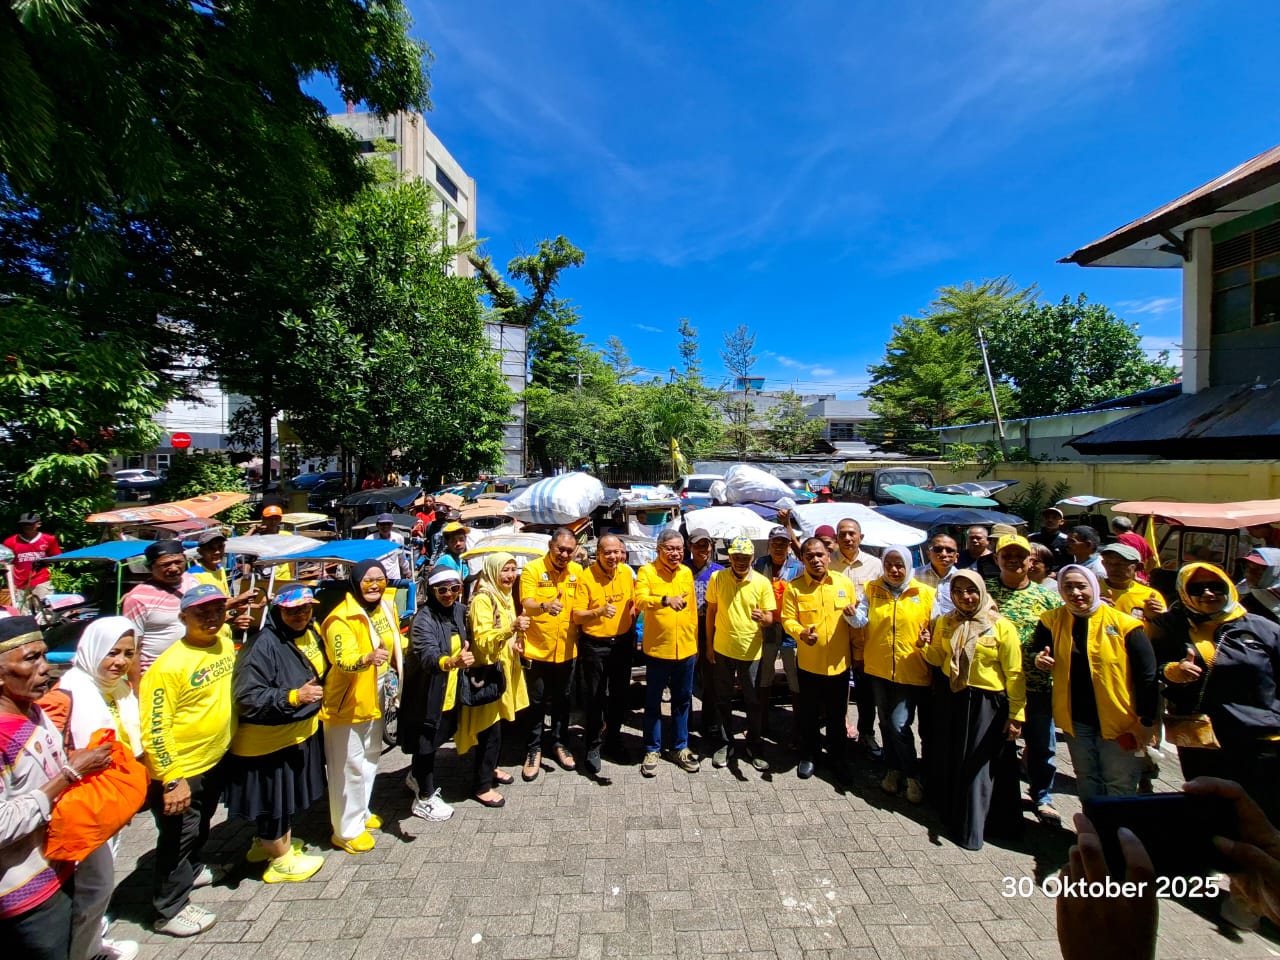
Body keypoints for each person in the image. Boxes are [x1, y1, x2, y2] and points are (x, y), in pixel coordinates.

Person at [0, 617, 112, 960]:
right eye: (30, 659)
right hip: (24, 896)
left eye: (44, 656)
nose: (45, 668)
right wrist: (68, 774)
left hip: (59, 867)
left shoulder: (35, 711)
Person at [34, 617, 140, 960]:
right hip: (84, 806)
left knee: (98, 886)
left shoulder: (115, 688)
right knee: (94, 888)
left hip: (108, 801)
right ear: (92, 648)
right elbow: (46, 751)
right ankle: (86, 952)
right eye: (112, 652)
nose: (120, 661)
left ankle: (93, 943)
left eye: (128, 653)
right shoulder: (67, 693)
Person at [1147, 563, 1280, 823]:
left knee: (1264, 813)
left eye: (1216, 586)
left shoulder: (1262, 628)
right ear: (1184, 592)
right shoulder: (1170, 626)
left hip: (1260, 739)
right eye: (1196, 588)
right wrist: (1173, 671)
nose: (1208, 593)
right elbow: (1153, 668)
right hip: (1202, 741)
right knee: (1210, 810)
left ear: (1228, 587)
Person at [141, 584, 237, 937]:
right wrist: (170, 778)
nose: (211, 618)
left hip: (215, 760)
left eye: (217, 610)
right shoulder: (168, 667)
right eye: (201, 613)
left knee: (200, 825)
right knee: (177, 839)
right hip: (183, 770)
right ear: (183, 618)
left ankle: (194, 871)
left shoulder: (224, 643)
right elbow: (154, 728)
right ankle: (169, 909)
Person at [224, 586, 327, 883]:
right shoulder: (263, 645)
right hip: (268, 743)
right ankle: (280, 859)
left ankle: (268, 843)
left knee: (283, 799)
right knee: (275, 800)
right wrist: (293, 696)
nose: (300, 615)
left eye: (306, 609)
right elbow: (248, 697)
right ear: (278, 611)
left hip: (295, 734)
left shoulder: (310, 631)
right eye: (292, 610)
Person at [1032, 566, 1158, 799]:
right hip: (1077, 719)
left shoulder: (1126, 625)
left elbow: (1147, 675)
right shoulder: (1052, 620)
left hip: (1121, 719)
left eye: (1081, 586)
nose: (1075, 592)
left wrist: (1146, 720)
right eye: (1067, 587)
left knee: (1119, 782)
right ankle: (1093, 830)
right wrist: (1039, 659)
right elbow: (1038, 650)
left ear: (1094, 587)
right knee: (1086, 777)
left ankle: (1120, 833)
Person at [919, 570, 1024, 850]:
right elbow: (937, 657)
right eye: (958, 591)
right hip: (952, 697)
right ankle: (952, 815)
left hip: (986, 703)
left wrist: (1016, 714)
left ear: (981, 591)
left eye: (971, 590)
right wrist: (924, 645)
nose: (965, 597)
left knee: (979, 765)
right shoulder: (946, 621)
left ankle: (973, 828)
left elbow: (1014, 673)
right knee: (953, 758)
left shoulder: (1000, 626)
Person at [319, 560, 399, 853]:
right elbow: (343, 660)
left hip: (377, 693)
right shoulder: (341, 618)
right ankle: (346, 830)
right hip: (347, 700)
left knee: (370, 756)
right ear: (354, 582)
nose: (375, 585)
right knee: (347, 764)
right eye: (368, 580)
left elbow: (394, 643)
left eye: (379, 579)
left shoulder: (385, 608)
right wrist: (366, 658)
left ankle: (361, 811)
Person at [986, 534, 1064, 824]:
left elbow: (1061, 639)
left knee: (1042, 745)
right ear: (997, 559)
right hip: (997, 685)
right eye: (1007, 554)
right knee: (999, 744)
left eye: (1020, 555)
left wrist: (1049, 658)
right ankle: (1000, 795)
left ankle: (1042, 796)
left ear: (1032, 560)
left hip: (1038, 685)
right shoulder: (986, 591)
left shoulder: (1048, 597)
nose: (1014, 560)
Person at [780, 537, 865, 785]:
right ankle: (809, 755)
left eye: (820, 555)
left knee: (837, 717)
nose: (816, 560)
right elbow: (787, 619)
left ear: (829, 556)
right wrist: (800, 633)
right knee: (808, 715)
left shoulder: (844, 584)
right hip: (809, 664)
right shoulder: (794, 588)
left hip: (839, 665)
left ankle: (838, 759)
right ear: (802, 559)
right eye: (810, 556)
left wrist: (858, 654)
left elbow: (854, 623)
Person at [863, 545, 936, 804]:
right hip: (878, 667)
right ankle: (893, 769)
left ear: (908, 565)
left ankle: (912, 775)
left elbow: (937, 627)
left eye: (899, 564)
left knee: (899, 723)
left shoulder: (926, 593)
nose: (894, 570)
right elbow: (861, 618)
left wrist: (929, 638)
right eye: (889, 564)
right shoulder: (872, 589)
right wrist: (851, 615)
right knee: (884, 721)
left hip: (910, 668)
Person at [401, 566, 473, 817]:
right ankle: (424, 798)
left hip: (449, 691)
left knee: (436, 738)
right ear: (431, 591)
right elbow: (427, 654)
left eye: (455, 588)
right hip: (428, 692)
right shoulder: (424, 619)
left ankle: (416, 775)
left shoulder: (459, 611)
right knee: (427, 742)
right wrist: (451, 662)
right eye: (442, 590)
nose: (449, 594)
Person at [459, 555, 530, 793]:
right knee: (489, 730)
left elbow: (507, 634)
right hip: (489, 672)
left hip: (504, 668)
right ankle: (482, 786)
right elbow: (482, 639)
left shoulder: (505, 596)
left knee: (497, 725)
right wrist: (511, 629)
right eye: (504, 570)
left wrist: (516, 641)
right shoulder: (483, 599)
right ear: (491, 572)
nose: (510, 575)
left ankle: (492, 768)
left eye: (513, 569)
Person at [705, 537, 776, 773]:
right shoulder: (718, 577)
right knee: (722, 699)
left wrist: (763, 619)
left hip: (751, 651)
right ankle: (726, 743)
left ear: (752, 559)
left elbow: (770, 618)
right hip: (723, 648)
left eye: (745, 558)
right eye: (736, 557)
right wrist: (708, 645)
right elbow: (711, 612)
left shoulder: (762, 583)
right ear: (730, 557)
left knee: (753, 701)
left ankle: (754, 745)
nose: (740, 562)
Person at [635, 529, 700, 777]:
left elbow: (692, 608)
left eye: (679, 549)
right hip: (658, 650)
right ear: (658, 549)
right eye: (670, 548)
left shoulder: (685, 572)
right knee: (653, 702)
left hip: (686, 648)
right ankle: (652, 748)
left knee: (683, 701)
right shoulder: (647, 572)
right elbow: (639, 599)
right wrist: (664, 600)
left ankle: (680, 747)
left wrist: (695, 640)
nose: (675, 553)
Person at [518, 528, 582, 780]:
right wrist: (545, 605)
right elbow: (527, 603)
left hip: (567, 650)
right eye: (561, 549)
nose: (565, 554)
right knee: (535, 703)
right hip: (538, 650)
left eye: (569, 550)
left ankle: (559, 743)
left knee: (562, 700)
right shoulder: (533, 570)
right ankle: (533, 749)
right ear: (550, 546)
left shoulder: (577, 572)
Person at [572, 535, 635, 776]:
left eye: (618, 552)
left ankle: (614, 741)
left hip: (622, 643)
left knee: (619, 696)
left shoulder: (626, 573)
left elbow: (632, 602)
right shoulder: (586, 578)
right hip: (595, 645)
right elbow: (577, 616)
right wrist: (598, 611)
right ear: (598, 553)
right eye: (608, 553)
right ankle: (592, 746)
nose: (613, 557)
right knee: (595, 697)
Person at [830, 518, 883, 759]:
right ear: (837, 538)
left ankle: (867, 733)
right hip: (836, 636)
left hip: (865, 637)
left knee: (865, 690)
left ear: (861, 537)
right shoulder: (828, 562)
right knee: (838, 689)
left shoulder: (875, 565)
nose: (848, 538)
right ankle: (838, 730)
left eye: (852, 534)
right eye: (842, 534)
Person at [122, 540, 200, 678]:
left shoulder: (192, 581)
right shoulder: (137, 598)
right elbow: (132, 648)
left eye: (178, 562)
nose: (174, 568)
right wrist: (136, 691)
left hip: (193, 670)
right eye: (165, 565)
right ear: (150, 567)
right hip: (157, 675)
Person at [753, 526, 803, 736]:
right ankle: (760, 723)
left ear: (789, 546)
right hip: (767, 628)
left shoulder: (798, 567)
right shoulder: (760, 563)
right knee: (764, 676)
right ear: (769, 544)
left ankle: (798, 727)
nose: (779, 547)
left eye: (783, 543)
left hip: (790, 629)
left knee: (794, 677)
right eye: (775, 543)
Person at [684, 528, 723, 744]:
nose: (703, 550)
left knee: (711, 679)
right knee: (686, 679)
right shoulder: (682, 570)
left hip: (711, 630)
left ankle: (711, 722)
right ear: (690, 547)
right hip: (688, 629)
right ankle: (686, 722)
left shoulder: (719, 572)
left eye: (706, 545)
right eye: (698, 545)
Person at [189, 530, 256, 636]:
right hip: (207, 637)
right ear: (200, 551)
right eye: (211, 548)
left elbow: (225, 602)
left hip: (223, 633)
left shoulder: (220, 569)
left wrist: (255, 605)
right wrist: (237, 600)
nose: (217, 552)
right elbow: (203, 612)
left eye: (220, 547)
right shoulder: (193, 576)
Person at [2, 513, 61, 616]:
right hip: (20, 582)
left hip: (41, 580)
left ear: (38, 524)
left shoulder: (48, 539)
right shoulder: (11, 542)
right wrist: (11, 584)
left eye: (30, 524)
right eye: (24, 524)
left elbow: (55, 558)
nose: (27, 526)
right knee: (22, 613)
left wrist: (42, 562)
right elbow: (8, 564)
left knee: (46, 611)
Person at [1098, 544, 1165, 621]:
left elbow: (1162, 630)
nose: (1113, 569)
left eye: (1120, 564)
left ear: (1138, 566)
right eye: (1108, 563)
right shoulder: (1094, 590)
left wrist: (1151, 618)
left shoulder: (1151, 596)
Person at [916, 533, 961, 617]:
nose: (943, 554)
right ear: (929, 554)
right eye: (938, 549)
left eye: (949, 550)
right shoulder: (914, 576)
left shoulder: (963, 579)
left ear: (956, 557)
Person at [1238, 548, 1280, 623]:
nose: (1248, 573)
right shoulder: (1242, 596)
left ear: (1275, 572)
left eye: (1257, 568)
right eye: (1247, 567)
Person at [364, 513, 411, 580]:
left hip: (393, 577)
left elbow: (402, 557)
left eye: (388, 524)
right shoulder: (370, 539)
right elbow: (366, 559)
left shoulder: (398, 538)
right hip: (376, 578)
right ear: (377, 525)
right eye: (382, 524)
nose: (385, 527)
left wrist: (406, 571)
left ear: (392, 525)